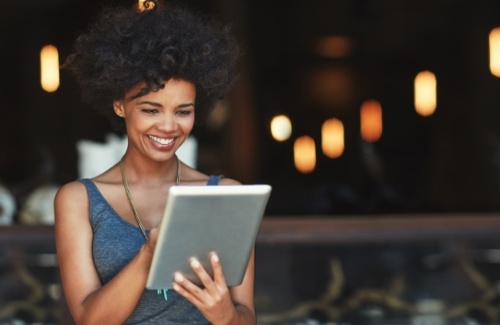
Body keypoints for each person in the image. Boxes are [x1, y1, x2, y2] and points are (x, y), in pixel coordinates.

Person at [54, 0, 255, 324]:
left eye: (183, 111)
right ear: (120, 104)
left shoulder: (224, 195)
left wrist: (226, 316)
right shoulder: (79, 200)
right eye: (151, 109)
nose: (168, 127)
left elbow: (246, 316)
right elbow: (89, 319)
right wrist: (150, 254)